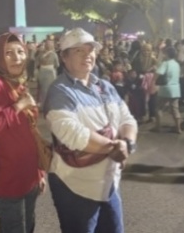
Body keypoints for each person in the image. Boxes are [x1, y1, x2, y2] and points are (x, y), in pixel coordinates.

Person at [44, 28, 138, 233]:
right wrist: (114, 147)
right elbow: (71, 132)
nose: (87, 55)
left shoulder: (105, 86)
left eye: (91, 50)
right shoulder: (60, 91)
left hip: (108, 183)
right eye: (78, 51)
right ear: (64, 57)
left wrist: (127, 143)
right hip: (75, 185)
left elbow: (127, 118)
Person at [0, 33, 46, 233]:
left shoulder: (17, 83)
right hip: (8, 182)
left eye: (20, 52)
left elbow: (30, 132)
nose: (17, 57)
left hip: (29, 178)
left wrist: (39, 172)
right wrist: (17, 106)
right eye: (8, 53)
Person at [153, 47, 182, 133]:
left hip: (165, 88)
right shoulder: (176, 64)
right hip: (175, 89)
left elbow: (158, 73)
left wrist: (153, 82)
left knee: (158, 108)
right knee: (175, 109)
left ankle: (157, 126)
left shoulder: (165, 63)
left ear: (167, 54)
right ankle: (178, 128)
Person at [36, 38, 59, 105]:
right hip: (44, 72)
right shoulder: (41, 54)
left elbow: (56, 65)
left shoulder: (54, 54)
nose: (48, 45)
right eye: (47, 44)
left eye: (50, 44)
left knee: (49, 88)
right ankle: (44, 103)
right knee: (43, 89)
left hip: (49, 72)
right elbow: (37, 62)